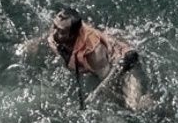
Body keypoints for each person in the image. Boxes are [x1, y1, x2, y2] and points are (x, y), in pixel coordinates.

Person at [21, 7, 151, 110]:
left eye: (60, 31)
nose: (54, 33)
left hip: (123, 63)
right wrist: (36, 43)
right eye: (54, 26)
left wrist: (100, 99)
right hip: (101, 52)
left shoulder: (94, 54)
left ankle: (155, 105)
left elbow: (109, 81)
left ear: (73, 35)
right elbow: (54, 31)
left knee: (133, 107)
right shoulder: (61, 30)